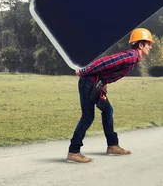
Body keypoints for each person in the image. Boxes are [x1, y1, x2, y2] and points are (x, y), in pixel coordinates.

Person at [66, 28, 154, 163]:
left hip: (96, 84)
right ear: (141, 45)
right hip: (89, 81)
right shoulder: (131, 56)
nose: (151, 46)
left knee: (108, 110)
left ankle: (112, 146)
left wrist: (102, 85)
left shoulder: (134, 57)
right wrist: (83, 71)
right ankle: (74, 151)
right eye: (149, 44)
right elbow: (106, 62)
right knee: (88, 117)